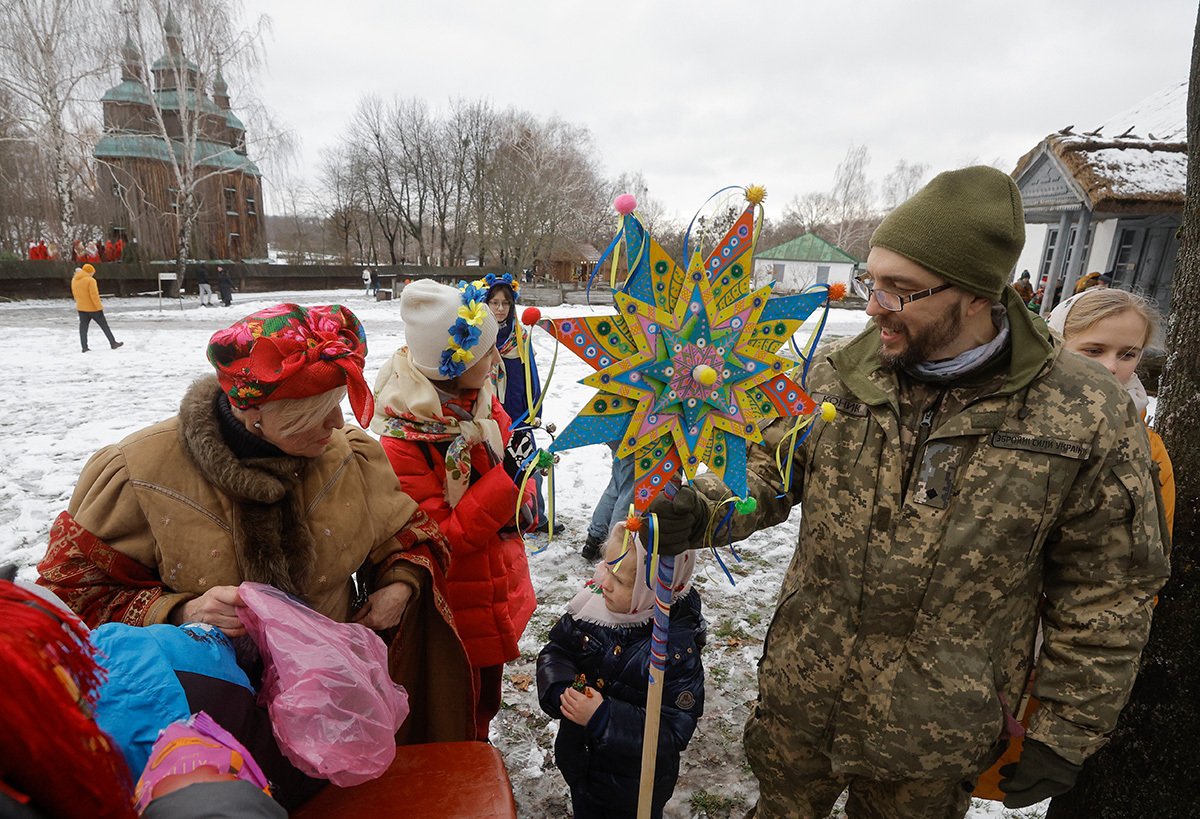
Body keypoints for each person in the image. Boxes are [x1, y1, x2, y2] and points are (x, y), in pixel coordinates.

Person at [644, 166, 1169, 818]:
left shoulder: (1085, 414)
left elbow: (1108, 587)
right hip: (803, 698)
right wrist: (705, 507)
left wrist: (1066, 729)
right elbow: (770, 468)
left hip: (935, 733)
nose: (871, 305)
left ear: (976, 294)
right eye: (873, 280)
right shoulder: (843, 372)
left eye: (899, 290)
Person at [36, 303, 476, 745]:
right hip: (201, 729)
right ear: (255, 413)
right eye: (313, 412)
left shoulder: (345, 454)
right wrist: (180, 612)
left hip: (335, 710)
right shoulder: (140, 472)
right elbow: (70, 598)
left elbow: (412, 534)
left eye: (338, 404)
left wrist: (398, 585)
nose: (336, 424)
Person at [973, 287, 1177, 804]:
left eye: (1127, 354)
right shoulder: (1005, 421)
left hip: (1059, 654)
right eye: (1093, 351)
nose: (1112, 367)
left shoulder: (1146, 451)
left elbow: (1130, 582)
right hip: (979, 648)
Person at [371, 278, 537, 742]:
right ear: (453, 363)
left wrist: (523, 490)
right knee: (456, 715)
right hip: (453, 607)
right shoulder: (403, 442)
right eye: (486, 351)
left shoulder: (482, 402)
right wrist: (509, 480)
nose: (496, 359)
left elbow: (511, 491)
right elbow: (444, 536)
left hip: (495, 587)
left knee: (486, 700)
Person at [536, 523, 705, 819]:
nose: (606, 584)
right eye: (607, 569)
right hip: (581, 764)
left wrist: (603, 717)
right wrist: (560, 688)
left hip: (635, 788)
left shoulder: (674, 649)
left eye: (623, 581)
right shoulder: (593, 610)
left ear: (657, 589)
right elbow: (558, 650)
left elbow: (672, 731)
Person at [485, 272, 548, 530]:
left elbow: (531, 377)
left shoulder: (520, 338)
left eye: (506, 303)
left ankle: (536, 515)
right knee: (495, 467)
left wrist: (534, 410)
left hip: (518, 412)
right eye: (494, 302)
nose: (500, 309)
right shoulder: (477, 337)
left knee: (528, 465)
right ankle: (503, 516)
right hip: (489, 414)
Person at [582, 445, 634, 560]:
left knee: (617, 483)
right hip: (642, 434)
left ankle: (595, 539)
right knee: (629, 490)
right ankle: (614, 547)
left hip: (618, 432)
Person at [72, 263, 124, 352]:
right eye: (92, 272)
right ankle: (113, 343)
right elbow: (94, 296)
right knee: (104, 326)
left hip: (81, 307)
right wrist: (99, 307)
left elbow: (75, 293)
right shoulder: (91, 280)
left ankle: (84, 347)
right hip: (93, 308)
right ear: (89, 272)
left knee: (83, 328)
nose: (93, 274)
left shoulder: (74, 279)